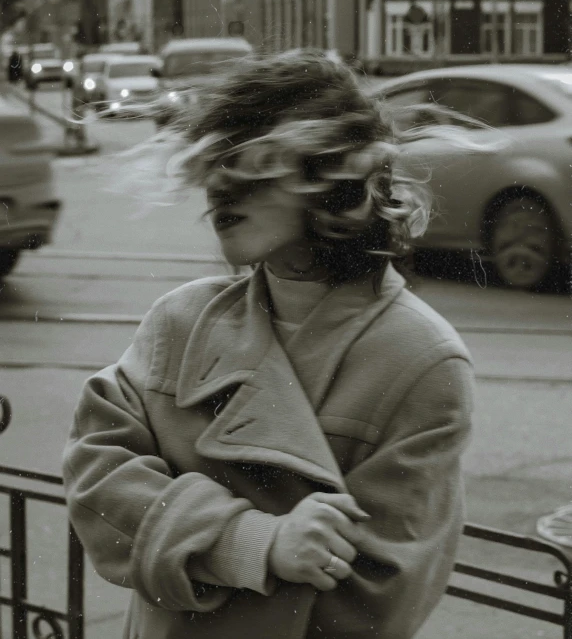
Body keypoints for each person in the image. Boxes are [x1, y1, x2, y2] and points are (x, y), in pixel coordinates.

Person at [63, 50, 475, 639]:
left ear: (327, 176)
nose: (219, 192)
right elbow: (95, 478)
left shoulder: (420, 359)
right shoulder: (179, 321)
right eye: (215, 167)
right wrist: (248, 542)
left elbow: (373, 600)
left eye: (248, 164)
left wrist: (183, 538)